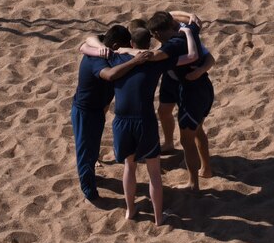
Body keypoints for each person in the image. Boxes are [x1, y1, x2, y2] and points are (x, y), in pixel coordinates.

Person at [81, 22, 200, 225]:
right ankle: (158, 217)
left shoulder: (115, 57)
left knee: (129, 167)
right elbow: (192, 57)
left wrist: (123, 49)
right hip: (145, 120)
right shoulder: (155, 61)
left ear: (132, 42)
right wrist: (189, 33)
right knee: (154, 172)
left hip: (121, 121)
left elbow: (85, 45)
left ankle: (130, 210)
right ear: (149, 42)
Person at [71, 25, 151, 202]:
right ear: (114, 46)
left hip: (96, 109)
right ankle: (90, 192)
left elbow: (91, 36)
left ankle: (91, 176)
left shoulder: (103, 45)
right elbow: (109, 75)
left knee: (91, 148)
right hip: (85, 112)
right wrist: (134, 61)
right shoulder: (97, 59)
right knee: (85, 151)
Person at [156, 11, 215, 188]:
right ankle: (168, 143)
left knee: (193, 134)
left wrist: (199, 71)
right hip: (173, 81)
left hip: (190, 88)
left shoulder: (184, 42)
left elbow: (207, 58)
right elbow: (172, 14)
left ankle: (198, 177)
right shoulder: (185, 31)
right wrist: (189, 16)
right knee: (163, 111)